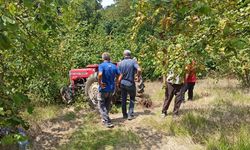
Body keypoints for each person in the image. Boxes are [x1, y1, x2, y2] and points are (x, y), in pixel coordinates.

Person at [98, 52, 121, 128]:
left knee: (101, 105)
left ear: (103, 58)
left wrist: (100, 83)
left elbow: (100, 74)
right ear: (109, 58)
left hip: (103, 89)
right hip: (111, 88)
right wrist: (117, 82)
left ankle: (107, 121)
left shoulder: (101, 65)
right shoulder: (114, 66)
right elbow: (120, 74)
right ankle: (105, 119)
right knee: (107, 104)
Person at [118, 50, 141, 120]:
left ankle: (124, 114)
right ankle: (130, 115)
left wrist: (118, 83)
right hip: (130, 83)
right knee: (132, 99)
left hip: (122, 83)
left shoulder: (120, 63)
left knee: (124, 99)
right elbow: (139, 69)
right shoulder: (133, 62)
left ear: (124, 55)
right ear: (130, 55)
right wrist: (138, 77)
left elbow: (119, 74)